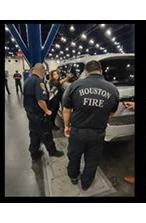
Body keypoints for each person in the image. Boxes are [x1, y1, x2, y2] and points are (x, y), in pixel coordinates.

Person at [62, 60, 120, 191]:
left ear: (86, 72)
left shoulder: (75, 85)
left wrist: (66, 126)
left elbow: (66, 109)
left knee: (74, 156)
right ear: (101, 71)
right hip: (97, 133)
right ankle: (86, 183)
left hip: (77, 132)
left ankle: (73, 176)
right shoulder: (113, 89)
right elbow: (111, 113)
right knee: (92, 160)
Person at [23, 63, 64, 161]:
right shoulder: (38, 81)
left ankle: (34, 153)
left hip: (30, 113)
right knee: (46, 133)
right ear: (42, 71)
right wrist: (47, 111)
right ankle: (53, 152)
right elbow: (40, 100)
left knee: (34, 133)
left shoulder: (27, 80)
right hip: (39, 114)